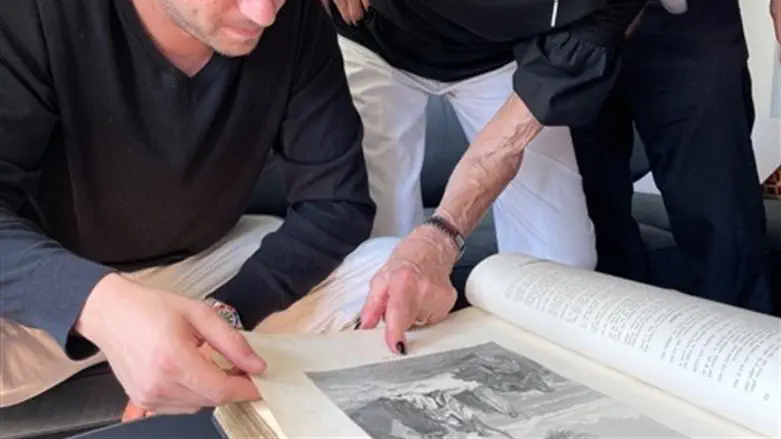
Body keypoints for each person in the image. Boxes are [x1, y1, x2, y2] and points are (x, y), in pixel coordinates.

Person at [0, 0, 397, 419]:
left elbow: (336, 203)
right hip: (42, 286)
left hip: (201, 267)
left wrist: (225, 315)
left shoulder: (294, 18)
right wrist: (102, 307)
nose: (263, 15)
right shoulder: (29, 14)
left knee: (389, 276)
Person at [329, 0, 689, 354]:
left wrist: (441, 236)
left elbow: (509, 140)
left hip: (500, 61)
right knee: (372, 264)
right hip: (374, 40)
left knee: (563, 264)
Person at [570, 0, 775, 314]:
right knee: (585, 213)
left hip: (690, 17)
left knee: (721, 212)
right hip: (566, 19)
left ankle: (742, 339)